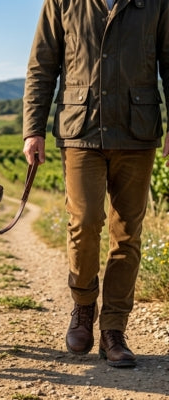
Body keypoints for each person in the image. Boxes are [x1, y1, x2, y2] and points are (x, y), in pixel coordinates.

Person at [22, 0, 169, 368]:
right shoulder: (61, 2)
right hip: (80, 131)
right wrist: (33, 130)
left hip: (136, 133)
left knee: (127, 233)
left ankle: (113, 330)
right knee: (84, 222)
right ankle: (84, 307)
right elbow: (42, 67)